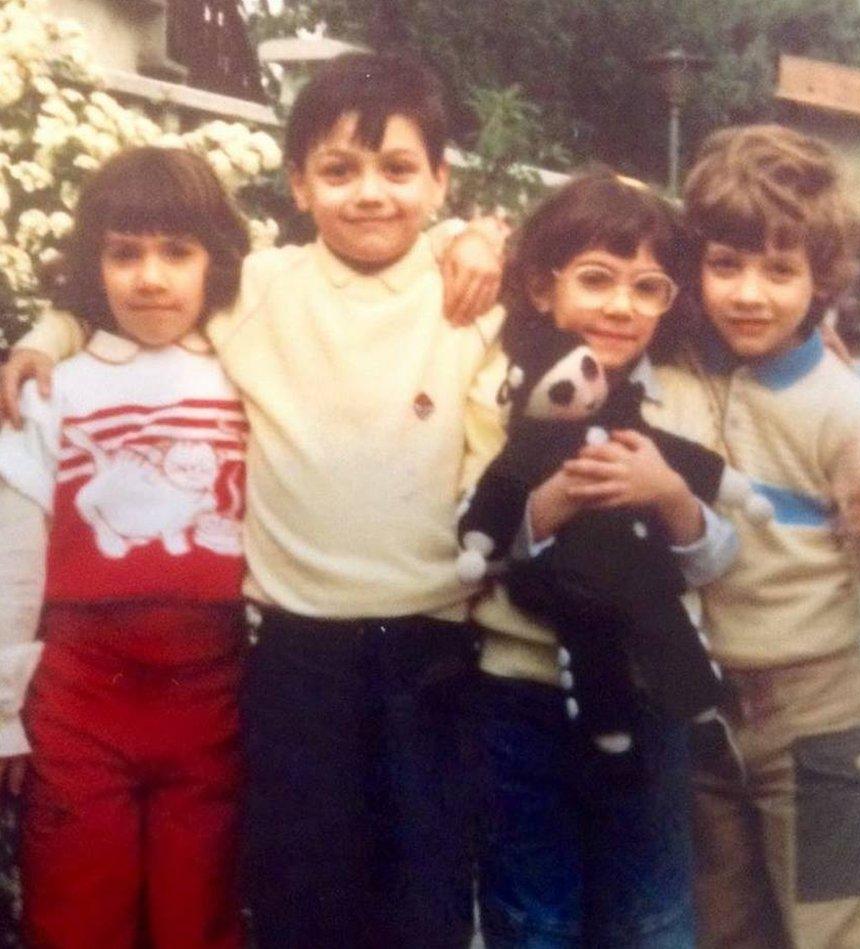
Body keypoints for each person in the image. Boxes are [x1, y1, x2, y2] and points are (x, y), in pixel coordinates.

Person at [1, 53, 507, 948]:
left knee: (422, 894)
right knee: (298, 890)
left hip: (433, 648)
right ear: (298, 186)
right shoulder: (260, 287)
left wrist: (484, 237)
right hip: (294, 653)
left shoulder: (470, 297)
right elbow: (138, 295)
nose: (369, 193)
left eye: (398, 169)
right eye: (338, 170)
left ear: (440, 179)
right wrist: (47, 334)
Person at [573, 125, 860, 948]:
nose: (749, 294)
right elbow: (589, 238)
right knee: (723, 931)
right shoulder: (676, 367)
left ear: (822, 278)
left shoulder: (847, 409)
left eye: (781, 270)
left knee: (839, 929)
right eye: (725, 264)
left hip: (821, 707)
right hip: (699, 709)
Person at [469, 171, 739, 948]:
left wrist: (668, 496)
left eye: (646, 287)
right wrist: (555, 497)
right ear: (541, 287)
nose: (621, 306)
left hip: (648, 693)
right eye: (596, 280)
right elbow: (471, 535)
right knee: (533, 916)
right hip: (520, 693)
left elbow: (719, 554)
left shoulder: (682, 401)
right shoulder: (499, 392)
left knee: (651, 914)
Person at [0, 146, 250, 948]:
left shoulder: (249, 375)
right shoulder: (53, 389)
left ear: (217, 260)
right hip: (81, 697)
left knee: (196, 915)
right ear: (94, 264)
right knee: (76, 911)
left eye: (177, 252)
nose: (151, 277)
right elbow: (13, 559)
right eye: (126, 253)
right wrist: (4, 714)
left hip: (210, 693)